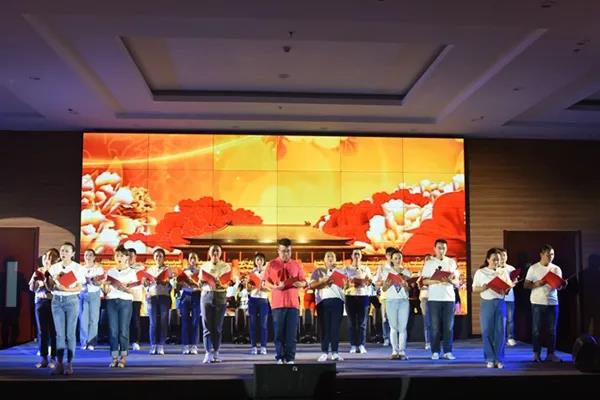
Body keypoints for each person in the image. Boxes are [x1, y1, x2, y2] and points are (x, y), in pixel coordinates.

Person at [264, 238, 306, 364]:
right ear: (278, 251)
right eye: (283, 251)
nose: (286, 254)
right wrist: (274, 287)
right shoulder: (271, 264)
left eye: (288, 251)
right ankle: (280, 357)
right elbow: (265, 282)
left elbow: (304, 281)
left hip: (293, 303)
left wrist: (300, 284)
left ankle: (290, 358)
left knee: (291, 334)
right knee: (278, 333)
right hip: (277, 304)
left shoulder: (297, 264)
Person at [47, 242, 86, 375]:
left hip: (71, 301)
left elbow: (80, 287)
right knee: (59, 334)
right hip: (57, 301)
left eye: (66, 251)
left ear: (73, 253)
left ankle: (69, 363)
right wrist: (50, 283)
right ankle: (59, 363)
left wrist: (66, 289)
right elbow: (50, 287)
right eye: (62, 250)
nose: (63, 253)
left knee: (70, 334)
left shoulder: (78, 268)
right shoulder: (54, 267)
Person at [524, 244, 566, 362]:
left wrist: (562, 285)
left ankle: (551, 354)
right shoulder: (533, 268)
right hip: (537, 302)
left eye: (552, 254)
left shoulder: (556, 269)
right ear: (541, 255)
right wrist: (536, 284)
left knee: (552, 330)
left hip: (553, 302)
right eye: (548, 255)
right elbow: (526, 285)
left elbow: (558, 287)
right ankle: (536, 354)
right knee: (536, 330)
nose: (550, 257)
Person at [420, 239, 460, 360]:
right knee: (435, 327)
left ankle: (448, 351)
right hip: (434, 298)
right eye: (439, 248)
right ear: (434, 249)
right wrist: (436, 280)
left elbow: (457, 282)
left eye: (444, 248)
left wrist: (450, 281)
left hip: (449, 298)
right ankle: (435, 351)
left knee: (448, 327)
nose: (441, 250)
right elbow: (424, 281)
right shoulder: (429, 263)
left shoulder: (451, 262)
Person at [472, 248, 511, 368]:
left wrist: (507, 289)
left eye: (498, 260)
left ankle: (499, 359)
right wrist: (484, 287)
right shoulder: (481, 272)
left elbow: (507, 288)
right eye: (494, 259)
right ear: (488, 259)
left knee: (500, 331)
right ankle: (490, 358)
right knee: (487, 331)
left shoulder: (503, 272)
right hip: (486, 302)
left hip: (500, 302)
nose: (496, 262)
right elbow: (474, 288)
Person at [103, 245, 137, 368]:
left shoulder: (131, 272)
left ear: (127, 257)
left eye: (121, 256)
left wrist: (123, 288)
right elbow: (105, 291)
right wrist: (105, 286)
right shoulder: (110, 271)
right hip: (111, 301)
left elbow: (134, 291)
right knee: (113, 330)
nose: (119, 258)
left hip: (125, 302)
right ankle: (114, 357)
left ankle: (123, 357)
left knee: (123, 330)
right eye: (117, 255)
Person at [375, 249, 412, 360]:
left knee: (403, 327)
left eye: (399, 258)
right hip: (391, 300)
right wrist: (387, 284)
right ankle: (394, 350)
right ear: (391, 259)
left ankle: (402, 351)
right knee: (393, 327)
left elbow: (409, 289)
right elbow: (384, 289)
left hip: (403, 301)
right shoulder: (387, 272)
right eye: (395, 258)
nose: (398, 260)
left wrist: (405, 285)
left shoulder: (407, 272)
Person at [309, 251, 345, 362]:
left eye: (332, 257)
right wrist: (323, 282)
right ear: (324, 260)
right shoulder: (318, 271)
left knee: (335, 328)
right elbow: (311, 285)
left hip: (337, 301)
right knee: (324, 328)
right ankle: (324, 352)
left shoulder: (341, 271)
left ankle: (335, 352)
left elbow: (346, 285)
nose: (330, 258)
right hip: (322, 302)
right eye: (328, 256)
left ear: (335, 259)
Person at [200, 244, 231, 363]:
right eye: (213, 251)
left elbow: (228, 283)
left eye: (217, 251)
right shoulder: (204, 266)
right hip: (206, 295)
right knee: (206, 326)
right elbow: (200, 283)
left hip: (220, 295)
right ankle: (208, 352)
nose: (215, 253)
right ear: (209, 253)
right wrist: (201, 282)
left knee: (217, 327)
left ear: (221, 253)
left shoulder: (226, 267)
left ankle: (216, 352)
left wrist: (220, 283)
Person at [28, 248, 59, 369]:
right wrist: (35, 281)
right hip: (40, 301)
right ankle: (43, 358)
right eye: (46, 257)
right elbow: (31, 288)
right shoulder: (39, 271)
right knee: (42, 331)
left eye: (51, 257)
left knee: (54, 331)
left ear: (57, 260)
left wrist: (47, 280)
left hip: (54, 302)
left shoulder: (59, 272)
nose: (48, 260)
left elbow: (56, 288)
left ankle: (54, 358)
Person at [146, 248, 173, 355]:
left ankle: (161, 345)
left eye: (160, 256)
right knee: (153, 322)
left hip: (164, 296)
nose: (158, 258)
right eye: (156, 256)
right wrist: (146, 283)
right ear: (153, 258)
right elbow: (146, 284)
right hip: (152, 297)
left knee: (163, 321)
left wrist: (167, 281)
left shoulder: (168, 269)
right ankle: (153, 345)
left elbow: (173, 284)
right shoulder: (150, 270)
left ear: (164, 258)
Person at [344, 248, 372, 354]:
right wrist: (349, 283)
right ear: (351, 256)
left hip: (363, 296)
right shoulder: (346, 269)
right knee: (352, 322)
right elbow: (343, 284)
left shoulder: (366, 268)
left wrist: (366, 282)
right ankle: (353, 345)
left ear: (361, 256)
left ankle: (361, 344)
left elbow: (370, 281)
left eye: (358, 254)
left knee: (362, 323)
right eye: (355, 254)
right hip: (350, 296)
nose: (356, 256)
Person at [79, 248, 104, 351]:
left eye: (90, 255)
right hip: (83, 294)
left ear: (94, 257)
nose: (88, 257)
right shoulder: (80, 268)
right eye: (86, 255)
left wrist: (93, 281)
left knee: (94, 319)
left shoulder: (99, 268)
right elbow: (77, 282)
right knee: (83, 319)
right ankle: (84, 342)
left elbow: (101, 282)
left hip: (94, 293)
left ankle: (92, 342)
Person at [178, 252, 202, 355]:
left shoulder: (201, 272)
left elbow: (203, 285)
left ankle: (194, 345)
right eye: (191, 258)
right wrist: (182, 283)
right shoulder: (184, 271)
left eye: (194, 258)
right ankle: (185, 345)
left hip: (196, 295)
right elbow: (179, 285)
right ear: (188, 260)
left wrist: (196, 283)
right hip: (186, 295)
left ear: (197, 260)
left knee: (195, 321)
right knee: (185, 321)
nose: (192, 260)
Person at [247, 252, 270, 355]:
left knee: (263, 324)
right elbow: (248, 288)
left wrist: (262, 287)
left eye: (261, 259)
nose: (259, 261)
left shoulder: (267, 272)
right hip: (253, 299)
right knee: (253, 324)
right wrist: (249, 286)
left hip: (263, 300)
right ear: (255, 261)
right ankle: (253, 346)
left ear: (264, 261)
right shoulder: (252, 272)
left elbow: (270, 288)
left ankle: (263, 346)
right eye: (257, 260)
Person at [498, 248, 517, 346]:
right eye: (500, 255)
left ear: (507, 257)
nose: (502, 257)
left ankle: (510, 338)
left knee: (510, 319)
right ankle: (500, 338)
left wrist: (514, 282)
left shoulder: (511, 268)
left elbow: (514, 282)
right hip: (498, 297)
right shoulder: (495, 268)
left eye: (504, 255)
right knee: (499, 320)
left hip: (509, 297)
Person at [127, 248, 144, 351]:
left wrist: (129, 284)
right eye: (128, 255)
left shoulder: (139, 267)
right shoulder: (122, 267)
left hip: (136, 297)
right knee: (124, 320)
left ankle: (135, 341)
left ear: (135, 257)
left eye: (131, 256)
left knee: (135, 319)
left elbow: (140, 281)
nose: (129, 257)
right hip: (124, 296)